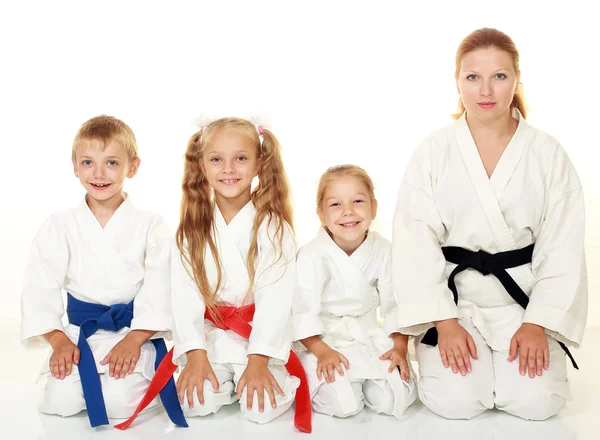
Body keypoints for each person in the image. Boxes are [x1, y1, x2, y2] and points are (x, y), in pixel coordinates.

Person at [392, 27, 587, 421]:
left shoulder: (547, 153)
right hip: (456, 302)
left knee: (538, 404)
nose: (486, 90)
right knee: (455, 402)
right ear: (457, 82)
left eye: (499, 76)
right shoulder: (434, 151)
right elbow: (414, 241)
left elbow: (563, 245)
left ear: (516, 80)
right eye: (473, 77)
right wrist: (445, 323)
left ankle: (523, 348)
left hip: (523, 301)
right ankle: (451, 350)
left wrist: (537, 323)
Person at [123, 117, 311, 432]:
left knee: (261, 409)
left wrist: (258, 360)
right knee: (195, 404)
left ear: (258, 164)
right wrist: (195, 355)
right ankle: (220, 376)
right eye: (216, 159)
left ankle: (253, 373)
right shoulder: (190, 230)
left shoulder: (274, 228)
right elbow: (184, 298)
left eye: (240, 158)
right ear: (201, 165)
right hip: (211, 339)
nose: (228, 168)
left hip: (257, 336)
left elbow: (276, 299)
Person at [20, 115, 184, 428]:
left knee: (120, 403)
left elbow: (161, 285)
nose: (98, 174)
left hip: (133, 331)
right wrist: (58, 340)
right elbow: (39, 287)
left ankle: (138, 375)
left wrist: (137, 338)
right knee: (60, 402)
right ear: (74, 165)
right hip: (81, 334)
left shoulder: (151, 224)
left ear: (132, 167)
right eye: (88, 162)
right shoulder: (60, 225)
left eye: (111, 163)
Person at [293, 164, 417, 419]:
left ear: (374, 207)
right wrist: (322, 351)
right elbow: (302, 311)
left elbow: (396, 304)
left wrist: (400, 348)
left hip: (368, 334)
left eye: (358, 201)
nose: (348, 212)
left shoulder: (384, 250)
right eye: (335, 204)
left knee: (395, 399)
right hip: (323, 340)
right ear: (320, 213)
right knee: (344, 405)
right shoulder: (311, 255)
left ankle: (369, 380)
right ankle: (327, 375)